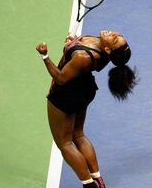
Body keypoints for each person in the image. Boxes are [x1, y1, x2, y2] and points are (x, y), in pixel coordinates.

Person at [36, 30, 137, 188]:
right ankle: (98, 180)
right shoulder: (102, 51)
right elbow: (82, 61)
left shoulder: (83, 57)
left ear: (109, 50)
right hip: (85, 89)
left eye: (115, 38)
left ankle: (89, 185)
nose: (114, 33)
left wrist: (45, 56)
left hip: (67, 95)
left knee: (65, 143)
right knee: (78, 135)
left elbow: (61, 78)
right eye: (118, 35)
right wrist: (72, 43)